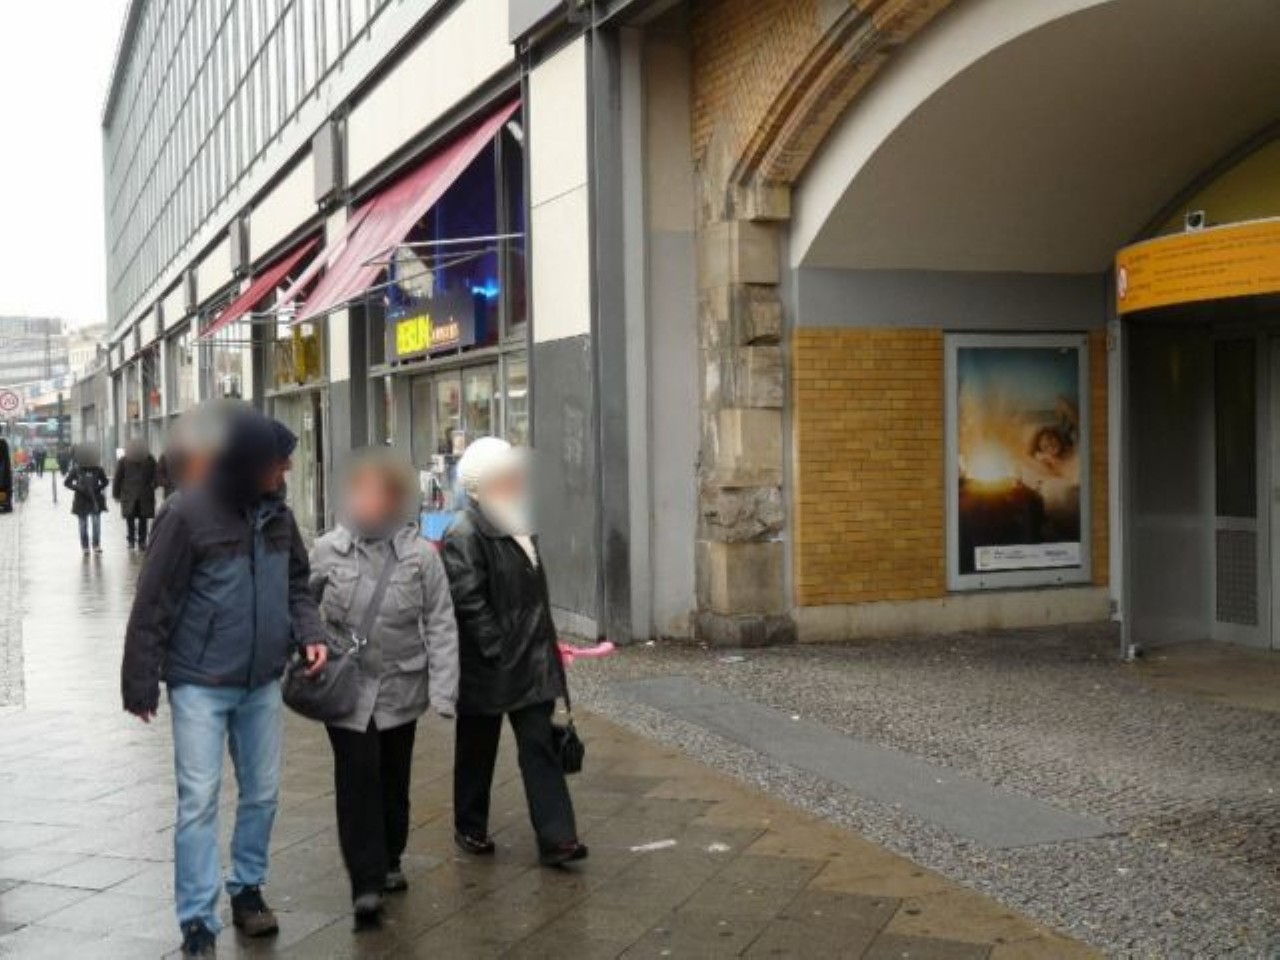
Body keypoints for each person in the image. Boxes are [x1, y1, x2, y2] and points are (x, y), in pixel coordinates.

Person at [120, 411, 329, 960]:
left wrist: (309, 632)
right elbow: (153, 602)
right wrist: (140, 682)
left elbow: (297, 584)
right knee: (198, 801)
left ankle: (248, 888)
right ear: (249, 463)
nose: (287, 469)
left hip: (261, 681)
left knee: (263, 793)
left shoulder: (279, 515)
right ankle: (197, 920)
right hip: (199, 684)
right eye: (279, 461)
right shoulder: (184, 514)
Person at [309, 448, 459, 923]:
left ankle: (391, 856)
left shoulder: (421, 557)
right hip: (346, 688)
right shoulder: (326, 550)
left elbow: (441, 622)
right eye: (363, 494)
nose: (370, 504)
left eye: (380, 495)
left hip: (400, 685)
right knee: (356, 778)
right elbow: (301, 609)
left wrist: (445, 690)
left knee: (393, 778)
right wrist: (306, 648)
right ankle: (366, 880)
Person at [441, 438, 588, 868]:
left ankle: (558, 839)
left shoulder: (518, 522)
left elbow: (533, 598)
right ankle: (470, 826)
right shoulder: (464, 533)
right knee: (477, 748)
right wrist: (498, 648)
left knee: (539, 745)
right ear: (483, 484)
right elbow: (468, 600)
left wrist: (545, 644)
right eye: (508, 476)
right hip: (489, 664)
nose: (518, 481)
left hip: (531, 659)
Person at [114, 437, 159, 548]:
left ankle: (142, 541)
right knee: (130, 519)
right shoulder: (124, 461)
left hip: (144, 495)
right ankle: (131, 540)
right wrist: (116, 494)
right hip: (129, 495)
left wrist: (154, 484)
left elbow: (157, 474)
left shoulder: (149, 459)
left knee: (143, 519)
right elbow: (118, 478)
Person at [64, 445, 109, 556]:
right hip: (81, 500)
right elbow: (67, 483)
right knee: (83, 525)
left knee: (96, 524)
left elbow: (105, 482)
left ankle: (96, 545)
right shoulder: (76, 469)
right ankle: (85, 547)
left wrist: (97, 488)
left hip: (95, 500)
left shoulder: (98, 469)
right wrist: (78, 488)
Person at [0, 439, 11, 514]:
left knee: (2, 489)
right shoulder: (3, 443)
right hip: (5, 476)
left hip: (3, 476)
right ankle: (5, 505)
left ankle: (4, 505)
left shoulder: (2, 443)